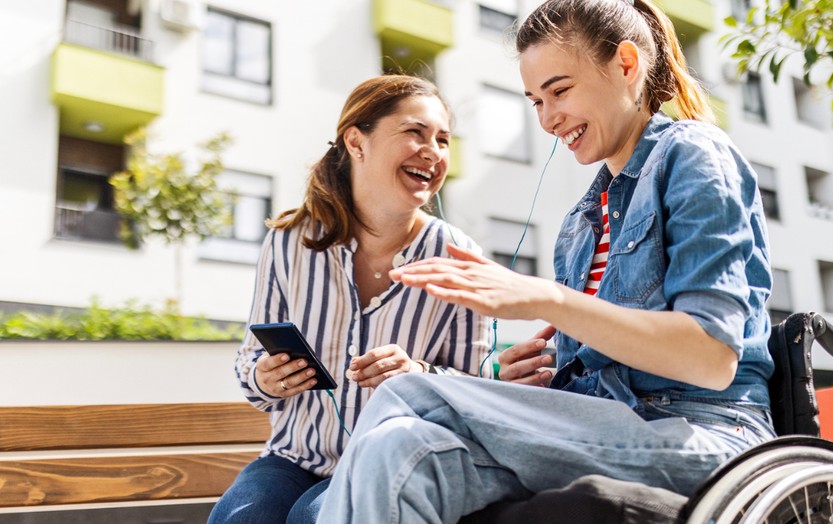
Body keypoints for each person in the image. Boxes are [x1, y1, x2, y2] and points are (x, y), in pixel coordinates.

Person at [315, 0, 776, 522]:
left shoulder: (694, 154)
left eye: (559, 91)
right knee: (394, 451)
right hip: (606, 429)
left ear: (626, 65)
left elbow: (712, 358)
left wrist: (548, 298)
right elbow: (604, 360)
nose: (548, 119)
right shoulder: (581, 222)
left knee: (411, 390)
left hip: (707, 436)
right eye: (535, 101)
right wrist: (539, 380)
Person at [206, 74, 492, 524]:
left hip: (393, 463)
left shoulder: (459, 257)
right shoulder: (289, 241)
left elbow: (476, 394)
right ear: (357, 143)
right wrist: (266, 378)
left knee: (316, 517)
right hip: (294, 459)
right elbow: (249, 367)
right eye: (414, 133)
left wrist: (416, 374)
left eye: (442, 140)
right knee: (244, 518)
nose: (433, 152)